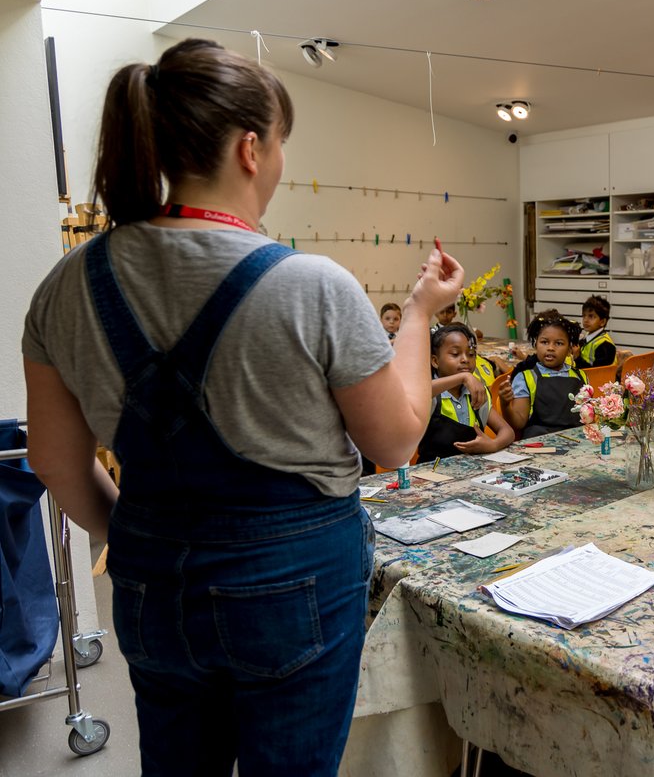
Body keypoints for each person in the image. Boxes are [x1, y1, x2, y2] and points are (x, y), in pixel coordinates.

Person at [21, 39, 464, 776]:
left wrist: (144, 537)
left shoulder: (65, 285)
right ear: (251, 148)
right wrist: (419, 312)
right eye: (282, 142)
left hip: (146, 578)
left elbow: (52, 461)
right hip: (294, 584)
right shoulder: (314, 285)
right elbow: (394, 442)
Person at [417, 324, 514, 462]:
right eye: (455, 354)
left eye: (471, 354)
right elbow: (419, 392)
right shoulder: (433, 394)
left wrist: (493, 444)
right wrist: (464, 377)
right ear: (435, 361)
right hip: (431, 473)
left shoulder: (477, 393)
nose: (465, 359)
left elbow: (507, 432)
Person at [498, 310, 587, 438]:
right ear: (535, 345)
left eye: (559, 343)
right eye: (544, 342)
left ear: (569, 349)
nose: (550, 348)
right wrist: (505, 404)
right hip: (540, 443)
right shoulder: (526, 378)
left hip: (576, 442)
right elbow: (518, 423)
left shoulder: (581, 376)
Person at [575, 294, 617, 369]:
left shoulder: (605, 345)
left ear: (602, 322)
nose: (585, 320)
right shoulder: (587, 337)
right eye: (584, 315)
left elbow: (597, 374)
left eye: (591, 316)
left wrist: (577, 357)